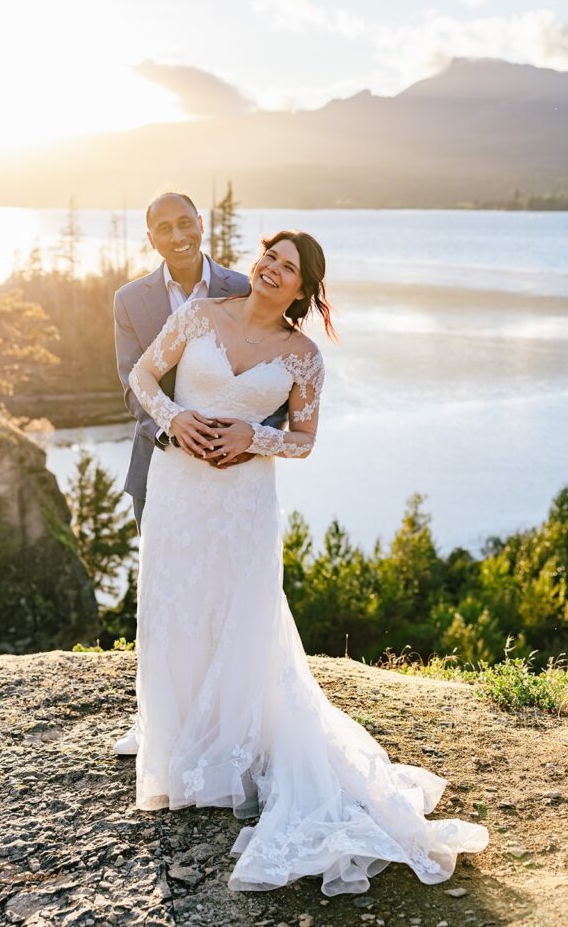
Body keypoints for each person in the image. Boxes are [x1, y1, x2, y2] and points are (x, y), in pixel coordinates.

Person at [126, 229, 489, 896]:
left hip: (244, 499)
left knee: (240, 613)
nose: (271, 269)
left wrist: (251, 435)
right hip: (180, 488)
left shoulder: (302, 358)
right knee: (178, 604)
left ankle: (232, 744)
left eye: (288, 267)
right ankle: (181, 741)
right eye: (269, 256)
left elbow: (303, 442)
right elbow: (142, 374)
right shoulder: (200, 313)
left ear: (302, 288)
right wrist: (175, 420)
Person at [112, 191, 287, 755]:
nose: (178, 234)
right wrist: (176, 428)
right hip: (163, 467)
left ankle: (228, 719)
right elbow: (132, 382)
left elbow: (280, 375)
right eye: (164, 227)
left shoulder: (245, 286)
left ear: (201, 224)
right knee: (171, 594)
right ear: (152, 239)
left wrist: (245, 439)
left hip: (237, 472)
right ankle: (168, 721)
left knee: (230, 595)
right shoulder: (130, 300)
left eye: (186, 222)